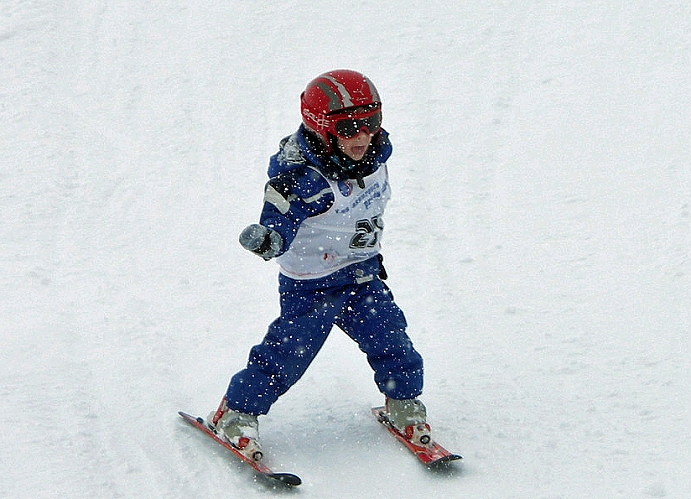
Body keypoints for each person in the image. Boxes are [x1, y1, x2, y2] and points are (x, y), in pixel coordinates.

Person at [209, 69, 430, 461]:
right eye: (348, 128)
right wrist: (269, 239)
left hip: (362, 274)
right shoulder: (304, 180)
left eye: (372, 122)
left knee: (392, 338)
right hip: (312, 285)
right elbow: (280, 217)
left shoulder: (375, 155)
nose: (363, 137)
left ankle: (403, 402)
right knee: (288, 352)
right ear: (322, 129)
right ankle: (236, 412)